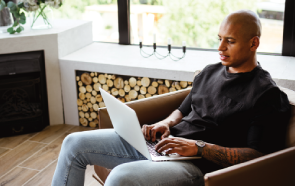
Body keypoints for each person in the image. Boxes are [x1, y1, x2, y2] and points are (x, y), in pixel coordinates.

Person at [52, 10, 290, 186]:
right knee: (74, 144)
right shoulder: (209, 71)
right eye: (219, 38)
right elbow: (182, 110)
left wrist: (199, 148)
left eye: (230, 41)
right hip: (163, 147)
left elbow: (257, 155)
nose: (220, 47)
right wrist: (165, 123)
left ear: (253, 43)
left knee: (120, 179)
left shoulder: (266, 94)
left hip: (197, 166)